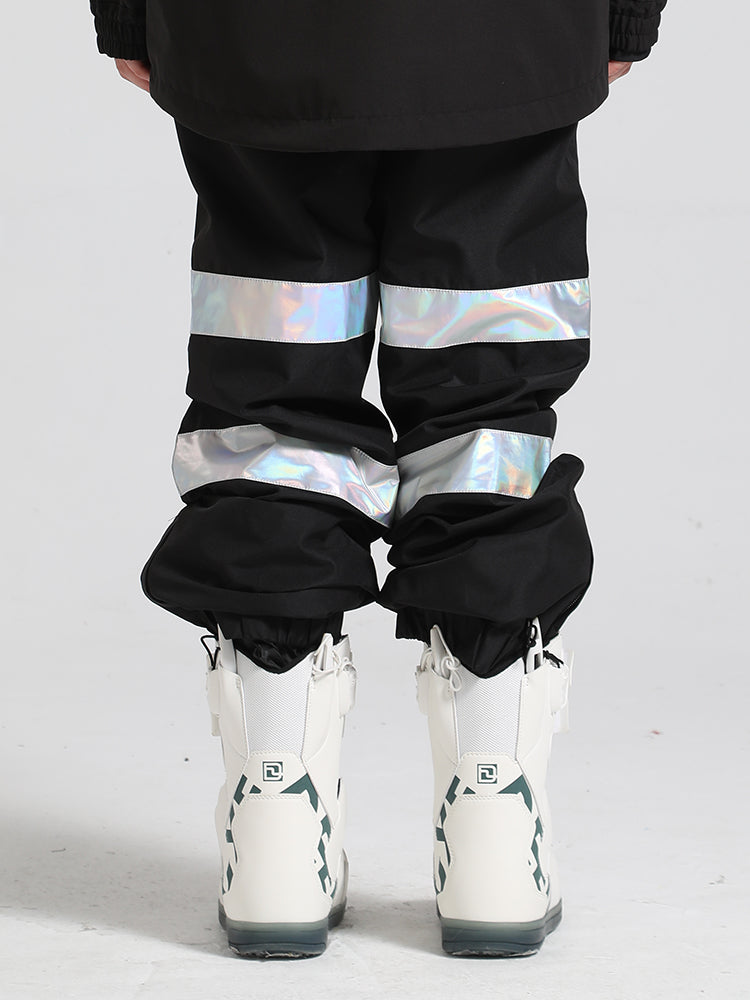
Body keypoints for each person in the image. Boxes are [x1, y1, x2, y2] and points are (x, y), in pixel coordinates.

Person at [89, 0, 667, 960]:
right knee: (488, 406)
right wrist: (625, 15)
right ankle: (494, 822)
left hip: (258, 32)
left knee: (275, 392)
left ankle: (276, 818)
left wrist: (130, 12)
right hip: (505, 28)